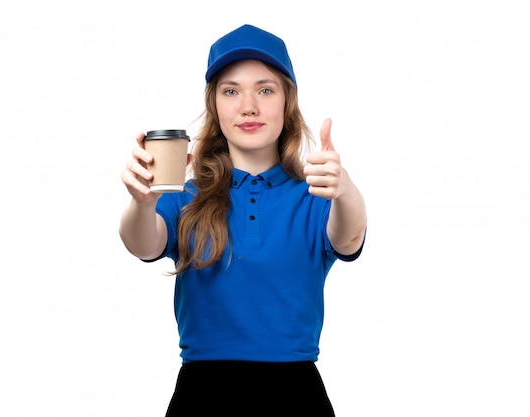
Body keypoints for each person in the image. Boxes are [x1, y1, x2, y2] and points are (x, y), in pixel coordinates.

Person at [120, 24, 367, 416]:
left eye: (265, 89)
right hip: (202, 393)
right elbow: (143, 243)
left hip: (296, 392)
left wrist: (345, 190)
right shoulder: (186, 198)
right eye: (230, 90)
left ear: (287, 101)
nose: (248, 106)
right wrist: (143, 202)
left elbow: (349, 239)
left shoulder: (315, 197)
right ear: (215, 105)